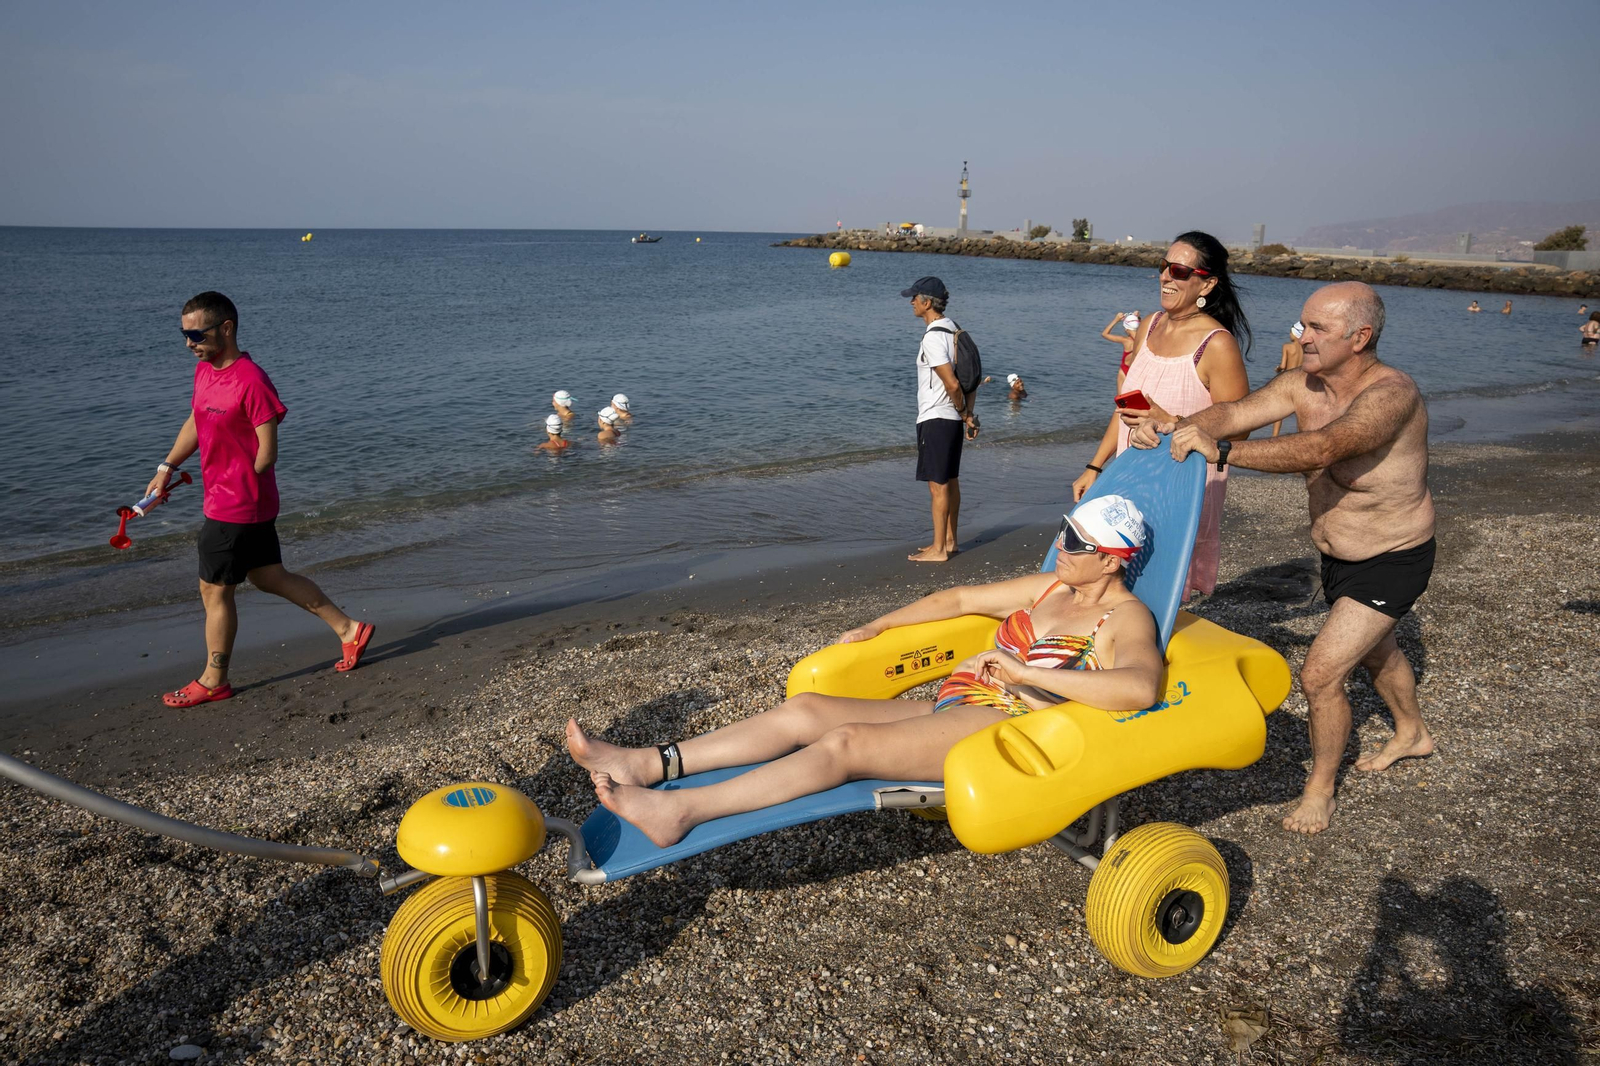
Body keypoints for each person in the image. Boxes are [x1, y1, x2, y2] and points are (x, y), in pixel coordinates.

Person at [565, 495, 1164, 848]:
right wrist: (878, 627)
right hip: (955, 705)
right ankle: (648, 762)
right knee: (806, 711)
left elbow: (1140, 685)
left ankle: (682, 811)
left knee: (845, 745)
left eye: (1077, 541)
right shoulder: (1053, 585)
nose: (1061, 543)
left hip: (1008, 731)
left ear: (1113, 559)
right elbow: (957, 600)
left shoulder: (1124, 617)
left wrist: (1018, 672)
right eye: (1064, 529)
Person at [1129, 282, 1435, 836]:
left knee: (1320, 674)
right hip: (1336, 555)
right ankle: (1412, 732)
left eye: (1318, 328)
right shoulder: (1302, 384)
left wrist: (1220, 451)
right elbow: (1236, 410)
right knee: (1375, 649)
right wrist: (1182, 426)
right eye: (1303, 323)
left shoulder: (1392, 395)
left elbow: (1322, 449)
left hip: (1393, 553)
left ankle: (1320, 789)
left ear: (1360, 337)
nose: (1302, 336)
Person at [146, 292, 373, 708]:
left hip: (237, 507)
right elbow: (197, 420)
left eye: (196, 333)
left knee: (215, 593)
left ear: (226, 329)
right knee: (269, 576)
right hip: (234, 503)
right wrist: (166, 466)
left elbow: (267, 453)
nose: (189, 342)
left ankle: (215, 679)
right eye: (184, 334)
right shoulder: (206, 371)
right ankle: (349, 630)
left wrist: (236, 480)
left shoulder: (251, 380)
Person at [1073, 231, 1252, 597]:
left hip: (1181, 483)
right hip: (1132, 471)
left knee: (1160, 588)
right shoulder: (1150, 326)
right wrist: (1095, 467)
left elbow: (1238, 432)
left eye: (1179, 270)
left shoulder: (1217, 345)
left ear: (1208, 283)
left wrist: (1167, 417)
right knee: (1119, 581)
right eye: (1163, 266)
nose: (1165, 276)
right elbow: (1126, 406)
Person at [903, 276, 975, 563]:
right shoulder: (955, 330)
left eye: (914, 298)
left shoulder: (933, 336)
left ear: (927, 303)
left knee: (938, 485)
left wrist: (963, 413)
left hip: (936, 417)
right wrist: (968, 415)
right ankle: (949, 540)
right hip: (951, 421)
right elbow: (971, 377)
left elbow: (953, 384)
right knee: (951, 480)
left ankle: (938, 549)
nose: (911, 302)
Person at [1272, 322, 1305, 437]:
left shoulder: (1287, 347)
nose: (1289, 334)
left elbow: (1283, 365)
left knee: (1279, 410)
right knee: (1298, 409)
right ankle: (1301, 434)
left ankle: (1275, 435)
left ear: (1295, 334)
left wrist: (1278, 369)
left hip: (1287, 380)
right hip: (1300, 379)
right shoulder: (1304, 348)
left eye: (1291, 332)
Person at [1100, 311, 1143, 376]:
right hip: (1137, 372)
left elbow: (1104, 334)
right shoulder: (1144, 340)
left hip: (1124, 370)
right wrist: (1138, 318)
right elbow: (1146, 328)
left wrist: (1116, 320)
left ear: (1126, 329)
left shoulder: (1126, 341)